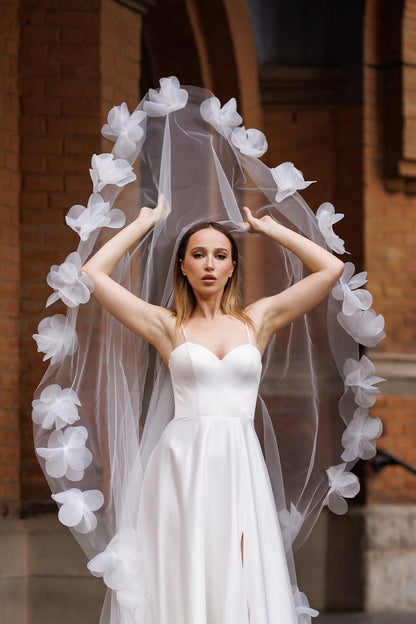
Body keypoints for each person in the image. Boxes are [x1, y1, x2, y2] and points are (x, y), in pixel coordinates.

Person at [32, 77, 384, 624]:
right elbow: (93, 274)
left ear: (232, 266)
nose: (211, 263)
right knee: (185, 573)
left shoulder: (257, 321)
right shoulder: (166, 326)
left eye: (221, 254)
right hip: (182, 463)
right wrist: (146, 222)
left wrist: (270, 229)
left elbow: (332, 270)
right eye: (198, 254)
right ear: (184, 265)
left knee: (240, 574)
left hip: (239, 461)